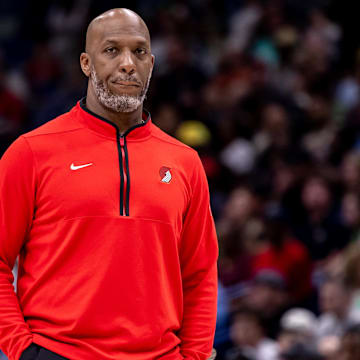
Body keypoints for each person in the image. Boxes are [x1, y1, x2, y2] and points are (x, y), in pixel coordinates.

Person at [0, 8, 218, 360]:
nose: (128, 63)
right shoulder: (30, 152)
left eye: (140, 51)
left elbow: (200, 274)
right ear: (86, 63)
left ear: (152, 63)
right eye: (112, 50)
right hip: (58, 352)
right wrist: (22, 349)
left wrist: (193, 356)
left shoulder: (185, 162)